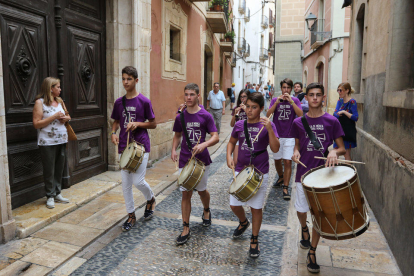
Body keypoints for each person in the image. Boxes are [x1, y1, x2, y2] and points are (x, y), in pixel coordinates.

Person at [290, 82, 345, 273]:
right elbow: (297, 145)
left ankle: (312, 251)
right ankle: (303, 227)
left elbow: (342, 147)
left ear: (323, 98)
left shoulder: (332, 121)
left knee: (319, 216)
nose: (314, 98)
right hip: (302, 174)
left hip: (323, 176)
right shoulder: (298, 122)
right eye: (311, 95)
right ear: (306, 98)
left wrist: (334, 153)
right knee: (301, 210)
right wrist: (295, 153)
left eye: (318, 95)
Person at [226, 92, 280, 258]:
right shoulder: (239, 125)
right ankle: (243, 222)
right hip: (241, 169)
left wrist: (270, 129)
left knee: (256, 208)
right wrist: (229, 156)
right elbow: (232, 142)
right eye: (247, 106)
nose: (249, 110)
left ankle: (254, 238)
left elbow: (276, 148)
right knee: (234, 204)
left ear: (261, 108)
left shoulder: (267, 125)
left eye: (254, 107)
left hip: (259, 171)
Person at [172, 83, 219, 245]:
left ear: (198, 96)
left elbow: (215, 136)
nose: (189, 97)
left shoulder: (206, 116)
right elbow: (177, 135)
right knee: (186, 192)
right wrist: (173, 149)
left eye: (192, 94)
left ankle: (206, 210)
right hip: (185, 159)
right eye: (186, 94)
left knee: (201, 190)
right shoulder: (181, 116)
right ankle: (186, 227)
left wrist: (204, 145)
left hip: (202, 160)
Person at [110, 66, 157, 232]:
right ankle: (131, 215)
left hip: (141, 146)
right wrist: (114, 132)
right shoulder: (119, 102)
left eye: (129, 79)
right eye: (123, 79)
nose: (125, 82)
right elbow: (115, 121)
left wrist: (137, 123)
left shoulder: (144, 101)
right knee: (126, 184)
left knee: (138, 181)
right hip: (124, 146)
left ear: (136, 80)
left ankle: (150, 199)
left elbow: (153, 123)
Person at [33, 77, 71, 209]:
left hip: (61, 139)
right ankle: (49, 195)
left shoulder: (60, 101)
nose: (60, 89)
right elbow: (36, 124)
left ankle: (57, 193)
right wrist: (53, 117)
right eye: (58, 87)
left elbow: (68, 116)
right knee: (49, 169)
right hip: (47, 141)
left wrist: (65, 118)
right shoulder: (40, 103)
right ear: (50, 88)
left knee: (59, 168)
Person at [267, 78, 303, 200]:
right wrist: (276, 103)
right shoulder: (274, 100)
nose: (286, 90)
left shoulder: (296, 100)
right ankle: (281, 176)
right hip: (277, 135)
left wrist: (292, 102)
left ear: (291, 89)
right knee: (277, 160)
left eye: (288, 88)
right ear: (281, 88)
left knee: (288, 161)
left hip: (290, 135)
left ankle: (285, 187)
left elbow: (301, 115)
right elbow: (268, 115)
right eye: (284, 88)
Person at [333, 82, 358, 161]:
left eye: (341, 90)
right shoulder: (340, 101)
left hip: (347, 131)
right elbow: (335, 113)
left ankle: (350, 173)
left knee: (346, 155)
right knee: (335, 153)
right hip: (338, 131)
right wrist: (338, 114)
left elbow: (355, 117)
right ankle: (335, 172)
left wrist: (344, 112)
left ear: (347, 91)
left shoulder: (352, 102)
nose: (339, 92)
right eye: (338, 90)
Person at [230, 89, 249, 166]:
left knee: (247, 160)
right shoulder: (236, 108)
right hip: (238, 135)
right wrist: (235, 114)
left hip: (248, 135)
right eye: (241, 97)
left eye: (244, 97)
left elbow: (255, 119)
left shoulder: (251, 108)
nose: (242, 99)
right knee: (235, 161)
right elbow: (232, 124)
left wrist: (246, 110)